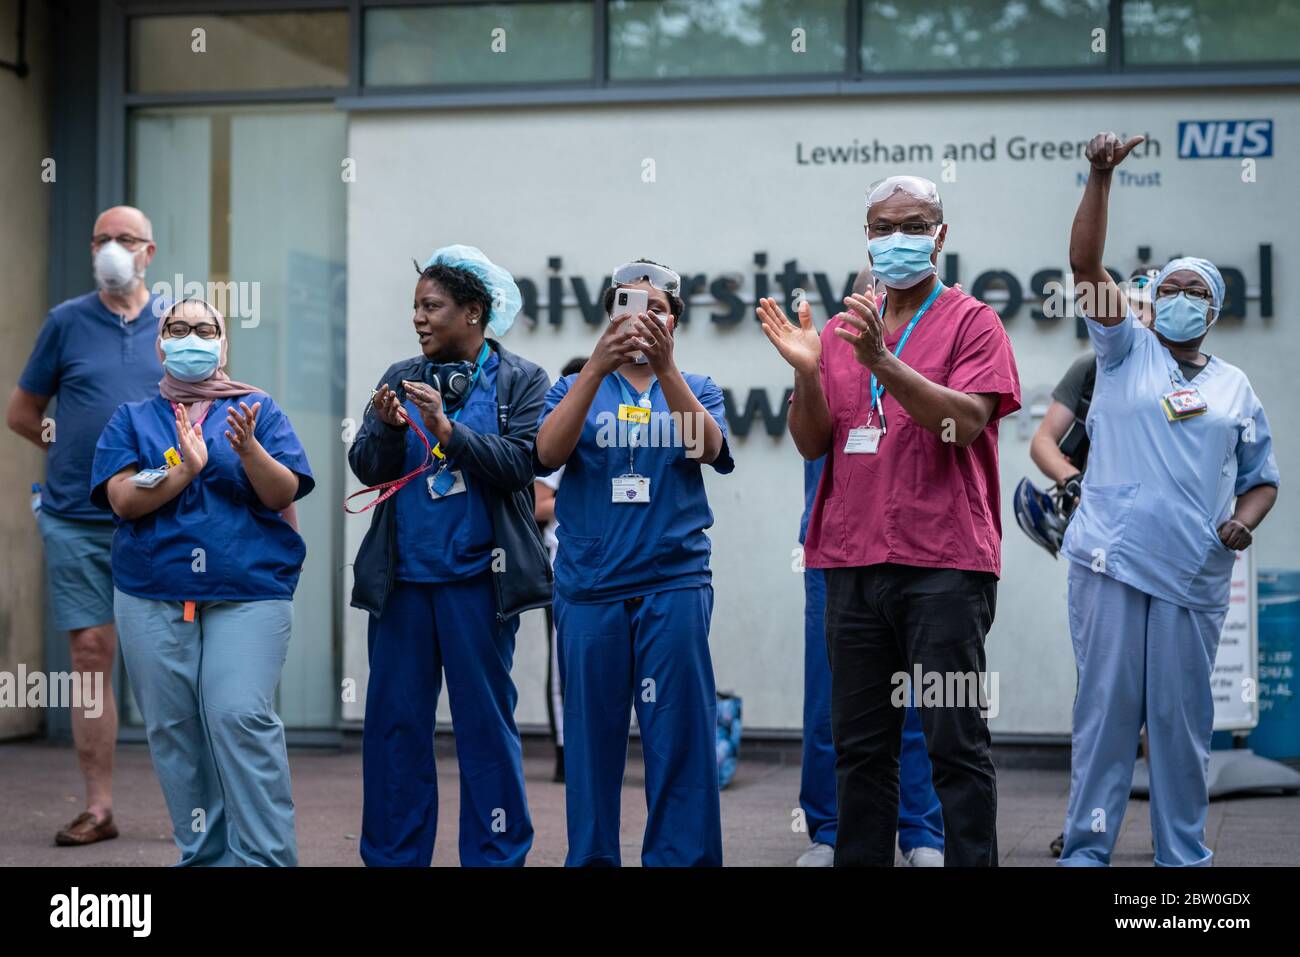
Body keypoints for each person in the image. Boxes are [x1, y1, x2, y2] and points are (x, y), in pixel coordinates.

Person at [758, 175, 1021, 867]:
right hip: (849, 564)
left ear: (940, 235)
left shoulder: (972, 322)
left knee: (954, 745)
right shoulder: (844, 328)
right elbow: (814, 442)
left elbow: (961, 424)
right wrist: (810, 372)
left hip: (944, 567)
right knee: (861, 749)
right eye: (883, 226)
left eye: (914, 224)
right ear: (866, 237)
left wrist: (883, 360)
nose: (897, 238)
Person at [1058, 132, 1279, 867]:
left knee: (1180, 722)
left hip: (1192, 574)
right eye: (1172, 287)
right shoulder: (1125, 351)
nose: (1181, 298)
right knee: (1106, 716)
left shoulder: (1234, 386)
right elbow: (1086, 265)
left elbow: (1262, 477)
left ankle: (1182, 856)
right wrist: (1099, 175)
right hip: (1111, 560)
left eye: (1197, 291)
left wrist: (1240, 526)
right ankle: (1087, 848)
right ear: (1154, 298)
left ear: (1214, 309)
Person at [90, 297, 313, 865]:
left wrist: (249, 449)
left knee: (239, 715)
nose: (192, 336)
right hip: (152, 592)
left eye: (205, 328)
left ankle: (264, 859)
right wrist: (183, 469)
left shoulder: (256, 408)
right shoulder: (132, 418)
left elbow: (282, 492)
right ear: (161, 343)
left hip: (248, 591)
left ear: (223, 343)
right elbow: (122, 500)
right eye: (179, 328)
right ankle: (205, 856)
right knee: (175, 731)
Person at [348, 245, 551, 867]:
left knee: (485, 728)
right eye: (415, 307)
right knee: (395, 730)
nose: (419, 319)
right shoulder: (397, 376)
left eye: (432, 307)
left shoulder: (522, 379)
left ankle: (495, 857)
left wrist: (447, 431)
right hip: (404, 585)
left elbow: (524, 463)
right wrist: (386, 428)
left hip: (479, 586)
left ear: (473, 312)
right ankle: (392, 857)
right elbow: (366, 468)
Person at [534, 259, 734, 867]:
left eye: (659, 310)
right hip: (590, 587)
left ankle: (679, 858)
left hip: (672, 583)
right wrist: (596, 366)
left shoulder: (697, 386)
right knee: (592, 745)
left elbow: (707, 449)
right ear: (609, 316)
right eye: (629, 306)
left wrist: (667, 370)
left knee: (678, 737)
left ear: (675, 321)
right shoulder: (574, 388)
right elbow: (545, 453)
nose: (643, 320)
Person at [7, 205, 166, 847]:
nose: (111, 248)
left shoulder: (177, 323)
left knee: (168, 660)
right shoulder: (66, 323)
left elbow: (207, 406)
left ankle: (200, 808)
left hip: (160, 517)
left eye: (124, 238)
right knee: (90, 654)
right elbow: (22, 412)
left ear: (148, 251)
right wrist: (71, 446)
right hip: (75, 517)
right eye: (100, 237)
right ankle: (98, 808)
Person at [1028, 265, 1155, 857]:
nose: (1144, 312)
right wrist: (1077, 483)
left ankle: (1172, 833)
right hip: (1103, 549)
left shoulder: (1196, 372)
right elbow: (1043, 443)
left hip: (1171, 553)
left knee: (1169, 706)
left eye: (1151, 303)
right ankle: (1088, 828)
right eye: (1134, 302)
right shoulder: (1092, 368)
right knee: (1102, 699)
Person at [798, 456, 945, 868]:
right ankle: (830, 829)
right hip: (836, 543)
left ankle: (921, 829)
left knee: (911, 693)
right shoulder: (824, 384)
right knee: (829, 692)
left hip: (909, 538)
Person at [533, 355, 589, 784]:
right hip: (563, 563)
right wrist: (582, 497)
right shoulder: (559, 434)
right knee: (565, 661)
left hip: (617, 562)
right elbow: (536, 505)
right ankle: (566, 753)